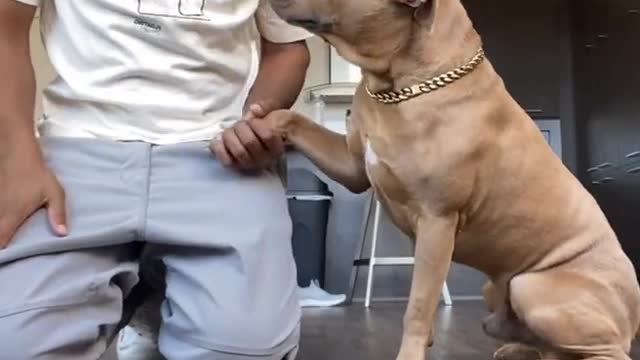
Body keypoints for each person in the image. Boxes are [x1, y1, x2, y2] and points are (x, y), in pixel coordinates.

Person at [0, 0, 312, 359]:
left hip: (215, 150)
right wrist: (19, 160)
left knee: (247, 348)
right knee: (15, 344)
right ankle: (146, 293)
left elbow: (287, 49)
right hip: (78, 145)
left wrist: (252, 122)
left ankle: (155, 301)